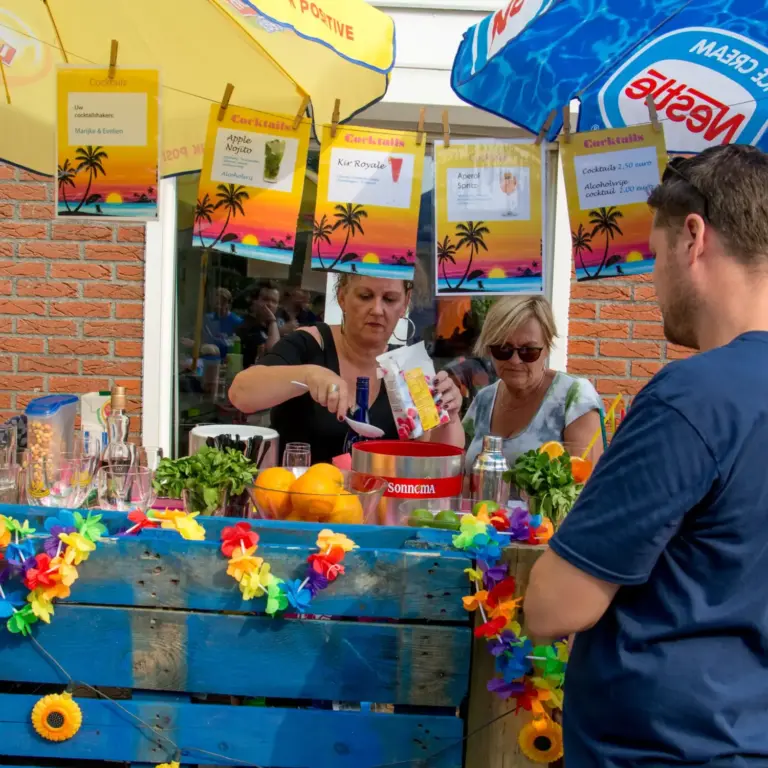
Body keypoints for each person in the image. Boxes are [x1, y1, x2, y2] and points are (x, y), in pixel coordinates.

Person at [525, 144, 768, 767]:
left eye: (654, 257)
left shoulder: (695, 397)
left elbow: (555, 606)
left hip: (663, 749)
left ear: (694, 237)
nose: (653, 281)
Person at [229, 274, 465, 463]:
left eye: (390, 299)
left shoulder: (409, 368)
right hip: (300, 507)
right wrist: (309, 375)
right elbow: (241, 394)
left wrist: (450, 415)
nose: (377, 309)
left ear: (405, 303)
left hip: (378, 513)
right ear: (342, 296)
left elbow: (439, 457)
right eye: (365, 296)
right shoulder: (311, 344)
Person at [462, 296, 603, 472]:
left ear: (547, 348)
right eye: (503, 349)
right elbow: (457, 469)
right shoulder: (484, 399)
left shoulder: (574, 397)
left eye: (528, 351)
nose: (515, 360)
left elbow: (585, 486)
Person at [237, 281, 280, 367]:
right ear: (254, 301)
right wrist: (272, 321)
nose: (270, 304)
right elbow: (274, 353)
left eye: (274, 301)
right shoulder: (246, 325)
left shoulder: (271, 328)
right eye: (265, 299)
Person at [203, 287, 242, 358]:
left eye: (223, 303)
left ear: (229, 304)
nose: (219, 306)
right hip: (210, 360)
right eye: (217, 303)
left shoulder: (237, 321)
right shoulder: (208, 319)